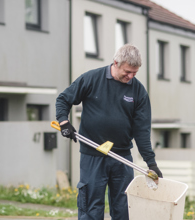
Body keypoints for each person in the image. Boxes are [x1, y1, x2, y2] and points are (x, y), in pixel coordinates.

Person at [55, 44, 162, 220]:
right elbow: (63, 99)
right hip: (92, 156)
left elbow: (142, 130)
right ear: (116, 62)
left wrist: (151, 163)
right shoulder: (91, 79)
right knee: (91, 208)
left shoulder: (138, 91)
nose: (131, 76)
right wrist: (64, 122)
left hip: (122, 158)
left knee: (124, 208)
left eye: (135, 73)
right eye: (127, 71)